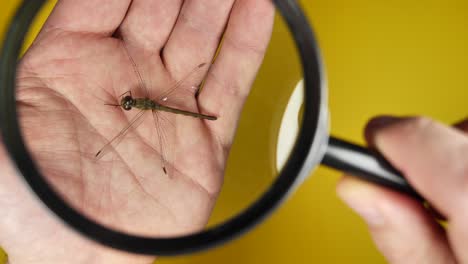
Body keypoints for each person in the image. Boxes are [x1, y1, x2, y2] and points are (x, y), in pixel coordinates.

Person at [0, 2, 466, 264]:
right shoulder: (136, 107)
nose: (129, 104)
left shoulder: (142, 103)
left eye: (127, 102)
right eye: (127, 104)